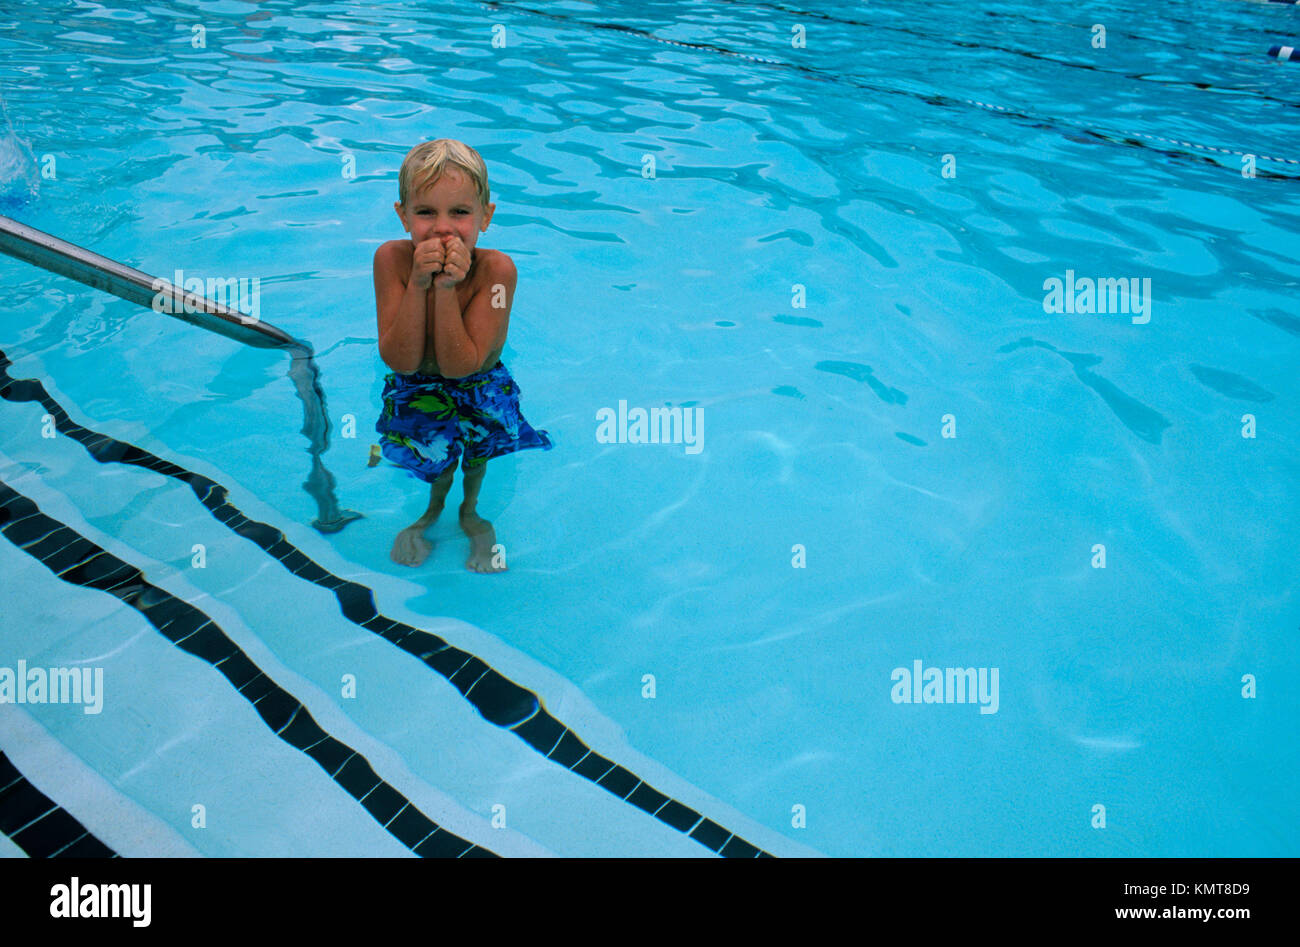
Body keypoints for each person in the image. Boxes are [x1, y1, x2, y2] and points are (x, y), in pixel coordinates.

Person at [373, 139, 552, 572]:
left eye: (460, 212)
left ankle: (472, 514)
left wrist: (447, 288)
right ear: (403, 215)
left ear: (485, 216)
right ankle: (430, 514)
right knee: (431, 460)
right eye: (425, 212)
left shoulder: (497, 274)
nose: (442, 229)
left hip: (480, 385)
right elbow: (402, 361)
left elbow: (461, 365)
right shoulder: (392, 261)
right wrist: (419, 284)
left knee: (477, 455)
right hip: (415, 384)